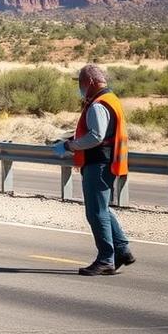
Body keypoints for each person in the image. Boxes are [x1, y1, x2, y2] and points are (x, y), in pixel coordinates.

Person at [53, 64, 136, 276]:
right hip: (107, 163)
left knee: (95, 213)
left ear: (89, 82)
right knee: (103, 209)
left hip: (98, 164)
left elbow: (96, 136)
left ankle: (106, 259)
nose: (80, 88)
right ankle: (122, 250)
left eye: (80, 83)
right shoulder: (111, 99)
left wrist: (70, 145)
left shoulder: (98, 105)